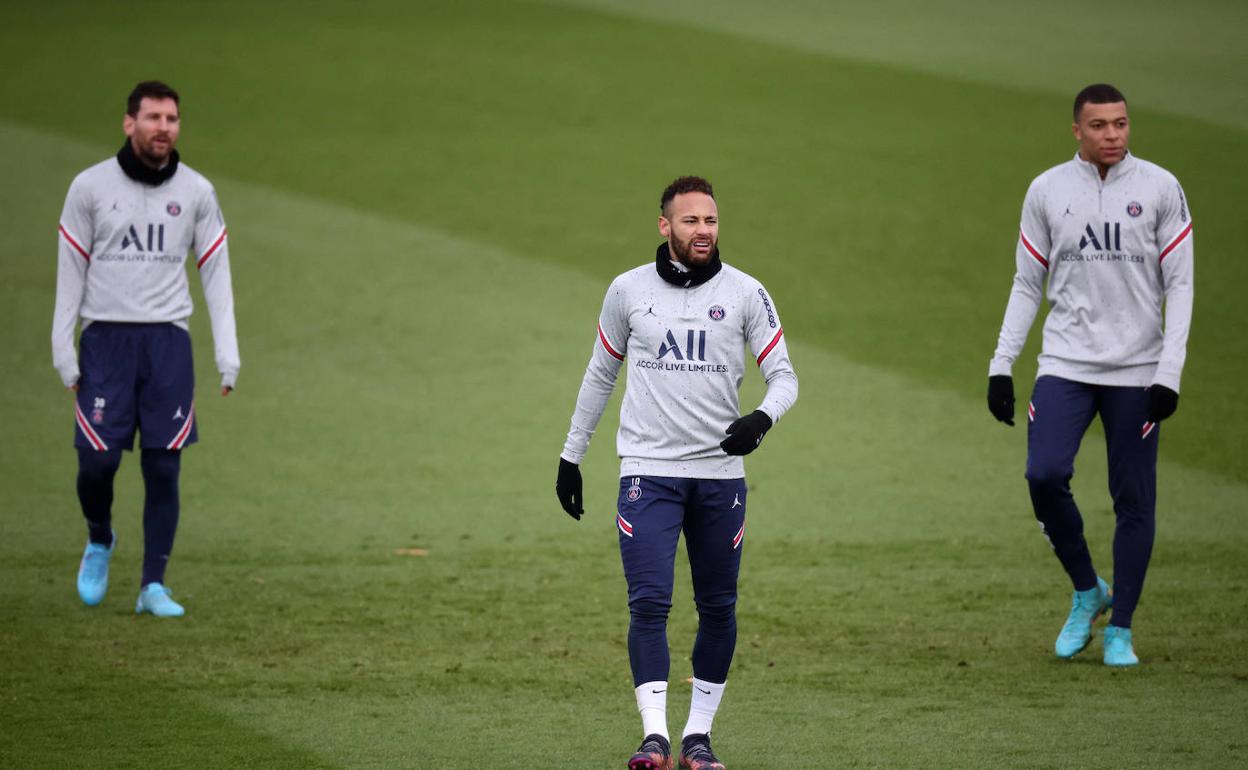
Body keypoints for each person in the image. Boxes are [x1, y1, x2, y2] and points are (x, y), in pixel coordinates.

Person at [556, 176, 798, 769]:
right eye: (690, 221)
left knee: (719, 607)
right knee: (649, 604)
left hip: (720, 477)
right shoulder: (627, 291)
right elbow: (599, 376)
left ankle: (698, 737)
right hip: (648, 473)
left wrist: (761, 419)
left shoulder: (746, 293)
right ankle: (654, 738)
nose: (703, 231)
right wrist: (571, 456)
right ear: (665, 226)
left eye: (711, 221)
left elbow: (785, 377)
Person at [987, 84, 1194, 666]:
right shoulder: (1047, 190)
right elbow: (1028, 282)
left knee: (1133, 499)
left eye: (1121, 124)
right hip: (1066, 363)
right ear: (1077, 130)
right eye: (1100, 125)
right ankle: (1088, 590)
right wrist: (1001, 365)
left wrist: (1169, 373)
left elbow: (1180, 284)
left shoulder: (1161, 188)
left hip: (1138, 370)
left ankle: (1121, 627)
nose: (1113, 135)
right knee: (1043, 474)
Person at [52, 81, 240, 618]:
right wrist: (62, 348)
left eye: (172, 118)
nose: (164, 128)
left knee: (164, 469)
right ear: (128, 122)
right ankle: (99, 537)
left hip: (167, 343)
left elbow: (216, 273)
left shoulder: (198, 192)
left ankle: (152, 585)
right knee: (97, 463)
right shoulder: (89, 187)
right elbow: (70, 271)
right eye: (153, 117)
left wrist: (228, 353)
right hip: (106, 342)